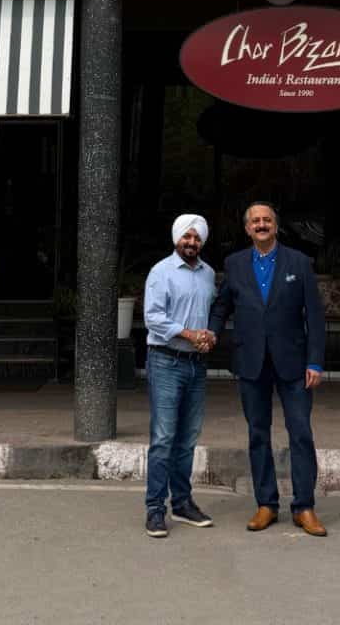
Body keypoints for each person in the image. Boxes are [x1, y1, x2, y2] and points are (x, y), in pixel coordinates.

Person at [208, 201, 328, 537]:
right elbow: (222, 307)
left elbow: (315, 316)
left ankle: (304, 507)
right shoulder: (234, 264)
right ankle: (266, 504)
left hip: (294, 364)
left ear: (276, 225)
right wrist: (212, 333)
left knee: (301, 433)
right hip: (251, 362)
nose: (261, 225)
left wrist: (315, 361)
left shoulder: (299, 262)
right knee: (258, 434)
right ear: (247, 228)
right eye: (255, 221)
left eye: (267, 220)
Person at [142, 213, 218, 538]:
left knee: (187, 439)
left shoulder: (209, 274)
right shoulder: (161, 271)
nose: (191, 242)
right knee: (163, 438)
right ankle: (155, 509)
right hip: (166, 362)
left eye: (197, 237)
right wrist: (189, 334)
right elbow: (153, 318)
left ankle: (183, 503)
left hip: (196, 365)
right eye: (186, 236)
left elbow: (211, 314)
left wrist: (209, 335)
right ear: (177, 239)